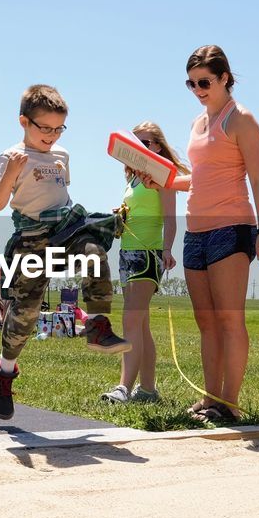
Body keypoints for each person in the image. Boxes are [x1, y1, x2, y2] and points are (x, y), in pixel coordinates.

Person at [0, 84, 128, 420]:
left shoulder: (62, 155)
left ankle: (96, 323)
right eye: (44, 128)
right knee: (27, 310)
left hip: (64, 229)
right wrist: (10, 174)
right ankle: (4, 370)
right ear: (24, 121)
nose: (51, 136)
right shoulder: (11, 157)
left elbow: (59, 195)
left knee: (93, 251)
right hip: (32, 238)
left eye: (58, 128)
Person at [156, 46, 259, 424]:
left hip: (231, 228)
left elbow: (258, 180)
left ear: (225, 78)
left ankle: (231, 403)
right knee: (205, 321)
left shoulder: (242, 120)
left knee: (229, 320)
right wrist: (163, 178)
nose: (197, 89)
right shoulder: (197, 124)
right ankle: (210, 399)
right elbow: (200, 178)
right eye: (191, 83)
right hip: (196, 232)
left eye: (204, 82)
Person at [102, 122, 186, 404]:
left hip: (147, 255)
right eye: (136, 145)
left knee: (131, 319)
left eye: (146, 144)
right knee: (141, 324)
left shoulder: (163, 176)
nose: (140, 150)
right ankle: (148, 391)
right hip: (127, 252)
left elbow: (170, 218)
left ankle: (123, 388)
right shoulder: (133, 178)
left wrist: (167, 249)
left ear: (158, 146)